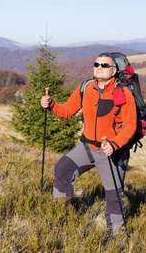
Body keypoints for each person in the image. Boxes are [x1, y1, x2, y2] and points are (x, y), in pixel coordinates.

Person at [40, 53, 137, 233]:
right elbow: (68, 110)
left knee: (114, 194)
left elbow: (130, 125)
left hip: (112, 152)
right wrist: (51, 104)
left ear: (114, 71)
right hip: (87, 147)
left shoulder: (122, 93)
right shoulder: (86, 87)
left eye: (105, 65)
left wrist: (115, 144)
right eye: (96, 64)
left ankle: (117, 235)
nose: (99, 67)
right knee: (62, 169)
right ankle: (59, 214)